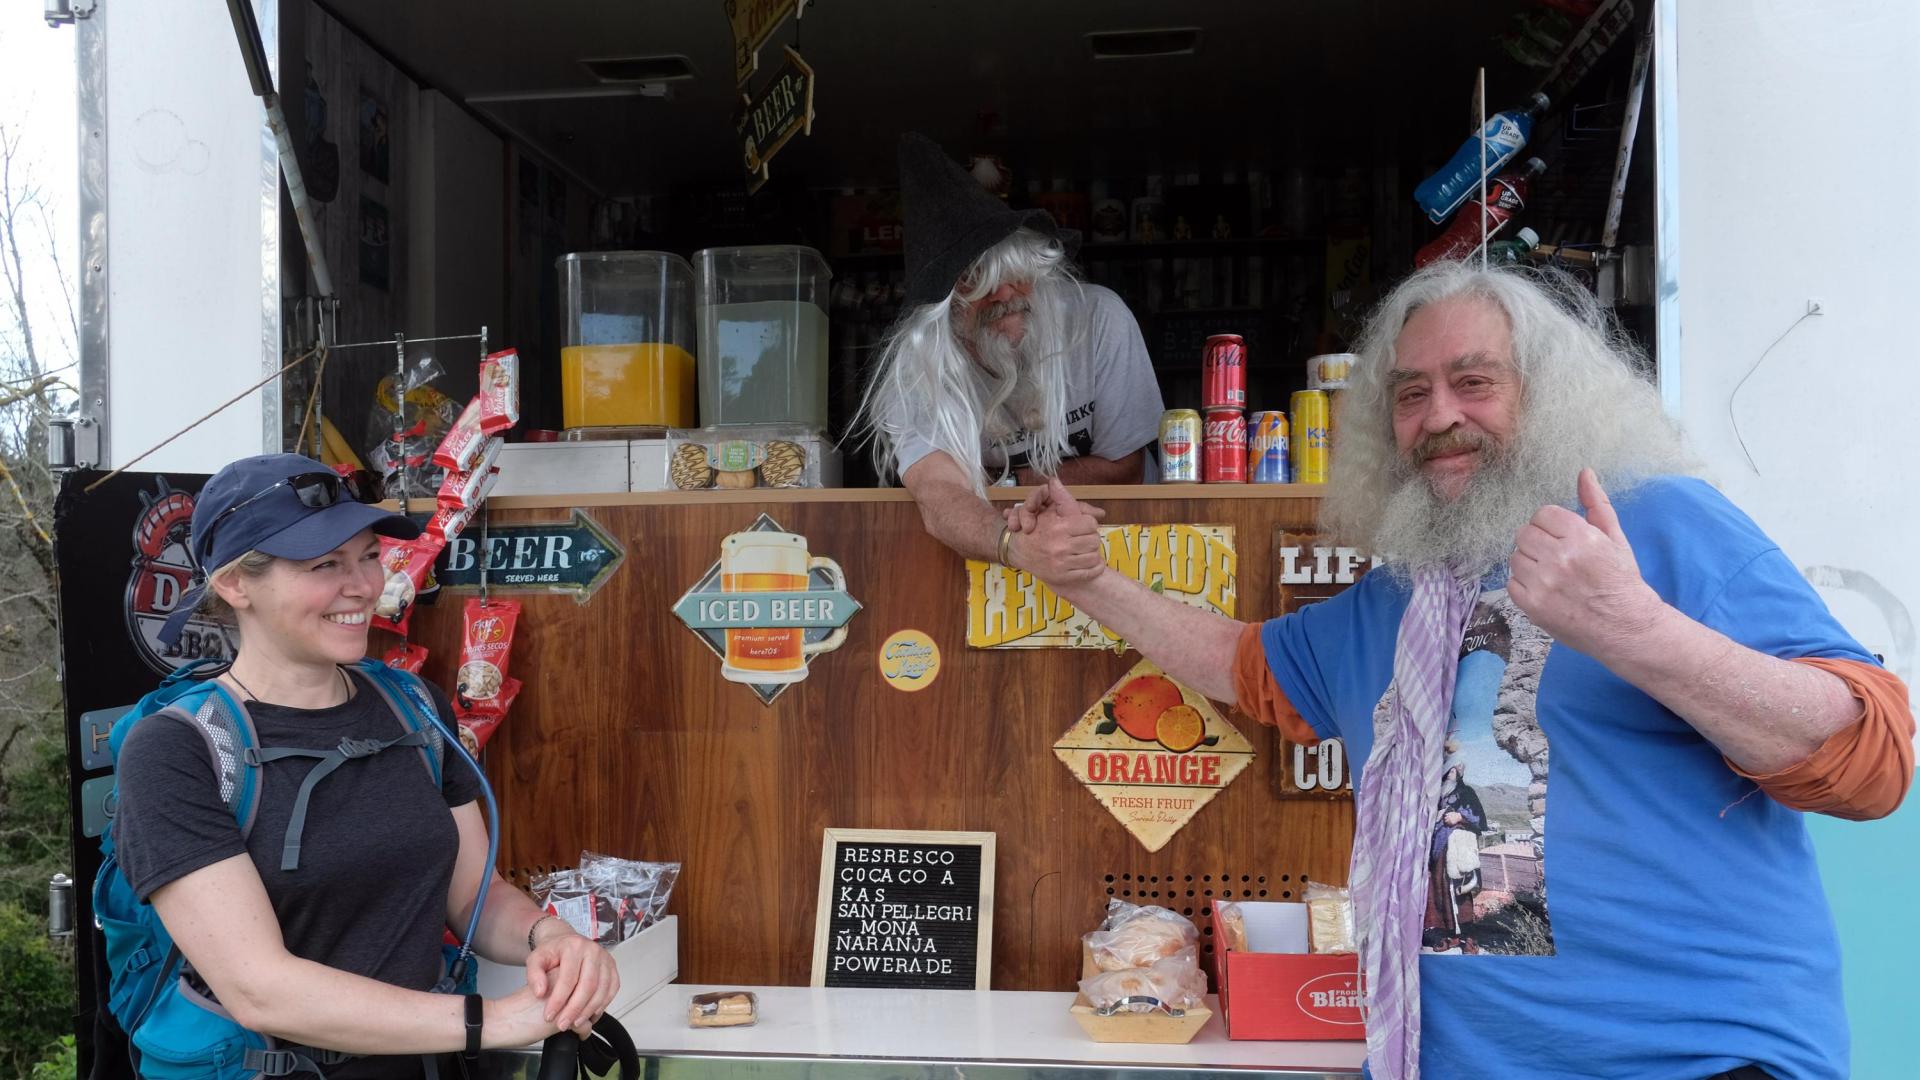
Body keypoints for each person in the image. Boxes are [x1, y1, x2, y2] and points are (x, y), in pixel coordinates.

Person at [1004, 263, 1914, 1079]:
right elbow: (1246, 666)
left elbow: (1869, 759)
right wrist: (1085, 579)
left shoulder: (1657, 522)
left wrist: (1637, 628)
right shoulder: (1402, 597)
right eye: (1410, 394)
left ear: (1550, 395)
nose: (1439, 417)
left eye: (1474, 382)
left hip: (1694, 1060)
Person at [115, 454, 619, 1076]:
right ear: (235, 584)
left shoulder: (413, 708)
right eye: (324, 564)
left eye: (368, 555)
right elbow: (259, 988)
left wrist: (552, 939)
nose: (362, 586)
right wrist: (495, 1021)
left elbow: (471, 895)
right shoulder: (177, 750)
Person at [854, 133, 1164, 578]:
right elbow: (939, 493)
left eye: (1016, 273)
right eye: (974, 281)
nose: (1004, 295)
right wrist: (1015, 546)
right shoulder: (916, 369)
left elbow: (1126, 468)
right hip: (1000, 551)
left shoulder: (1099, 319)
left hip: (1132, 544)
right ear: (945, 303)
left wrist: (1015, 485)